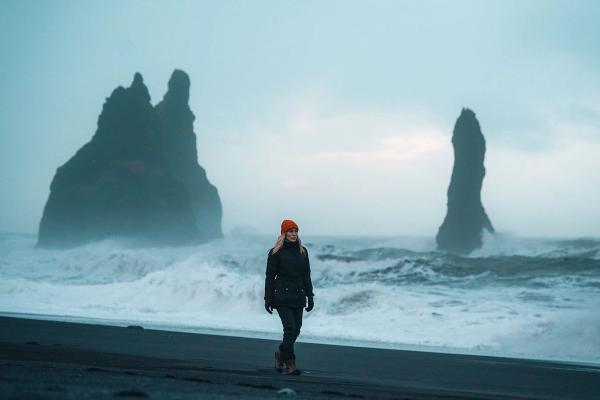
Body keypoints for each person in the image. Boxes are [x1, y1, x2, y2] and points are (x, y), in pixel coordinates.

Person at [264, 219, 314, 375]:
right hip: (282, 296)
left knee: (296, 330)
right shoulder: (275, 252)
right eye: (290, 231)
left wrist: (310, 296)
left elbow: (307, 275)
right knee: (289, 329)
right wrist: (268, 298)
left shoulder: (303, 251)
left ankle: (280, 353)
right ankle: (290, 363)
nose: (293, 234)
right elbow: (270, 277)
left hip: (298, 296)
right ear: (284, 234)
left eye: (295, 231)